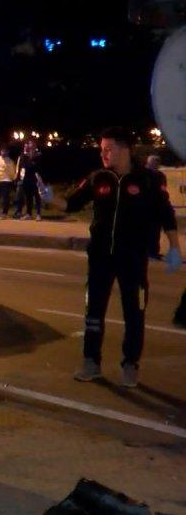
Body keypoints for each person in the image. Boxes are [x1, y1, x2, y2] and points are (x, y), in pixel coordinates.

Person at [66, 128, 181, 387]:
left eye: (108, 149)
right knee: (93, 312)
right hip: (100, 258)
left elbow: (166, 214)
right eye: (101, 150)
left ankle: (130, 364)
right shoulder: (99, 178)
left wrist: (175, 247)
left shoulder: (147, 180)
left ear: (124, 149)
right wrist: (47, 198)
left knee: (134, 313)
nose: (103, 154)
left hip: (133, 259)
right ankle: (91, 361)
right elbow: (71, 203)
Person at [12, 140, 44, 221]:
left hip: (35, 178)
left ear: (35, 145)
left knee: (37, 196)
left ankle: (38, 214)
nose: (31, 146)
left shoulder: (38, 155)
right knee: (28, 197)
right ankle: (28, 214)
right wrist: (19, 177)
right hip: (26, 178)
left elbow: (37, 167)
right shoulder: (24, 155)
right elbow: (23, 166)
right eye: (29, 144)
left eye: (32, 144)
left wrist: (32, 163)